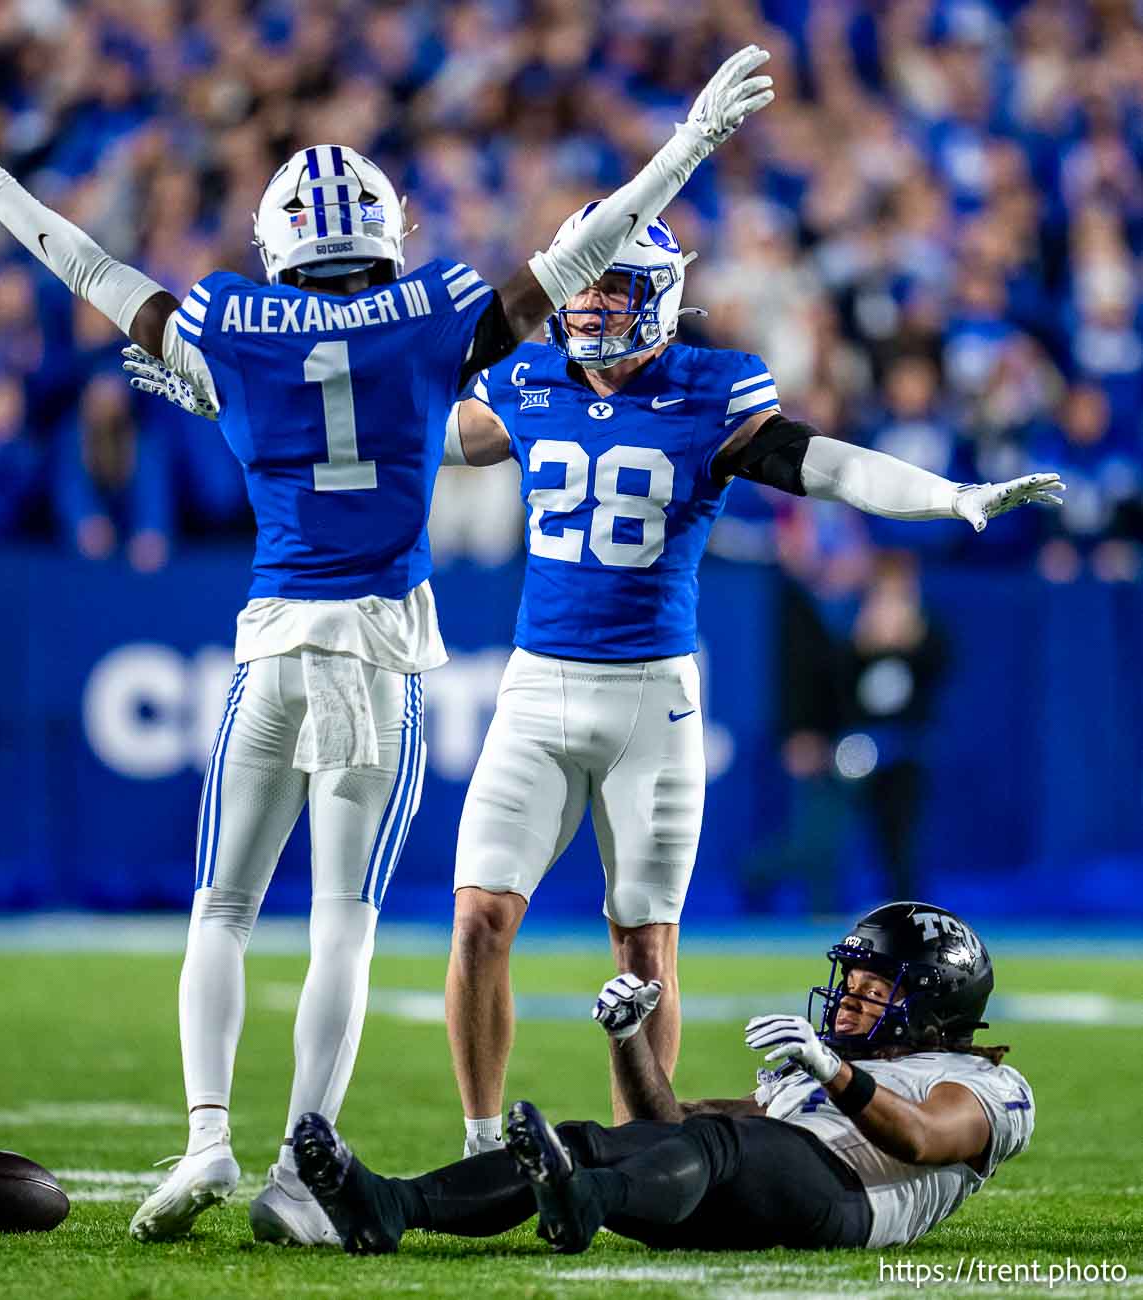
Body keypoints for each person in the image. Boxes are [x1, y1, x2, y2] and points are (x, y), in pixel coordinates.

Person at [0, 46, 778, 1246]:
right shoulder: (431, 315)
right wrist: (686, 145)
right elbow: (577, 252)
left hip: (271, 642)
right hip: (379, 650)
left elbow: (86, 262)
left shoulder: (231, 325)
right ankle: (302, 1164)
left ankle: (206, 1133)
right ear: (381, 230)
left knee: (220, 908)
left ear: (275, 237)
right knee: (341, 923)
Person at [434, 210, 1064, 1152]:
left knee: (643, 949)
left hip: (653, 697)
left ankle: (639, 1153)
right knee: (480, 918)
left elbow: (829, 465)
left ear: (659, 300)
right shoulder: (526, 379)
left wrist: (948, 497)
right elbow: (402, 442)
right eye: (585, 286)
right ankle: (480, 1144)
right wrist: (244, 401)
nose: (593, 305)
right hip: (537, 686)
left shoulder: (711, 387)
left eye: (616, 288)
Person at [292, 902, 1034, 1256]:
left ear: (934, 1008)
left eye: (875, 991)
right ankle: (391, 1205)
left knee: (724, 1143)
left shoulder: (979, 1084)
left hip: (847, 1207)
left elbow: (926, 1137)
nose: (846, 1000)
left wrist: (833, 1070)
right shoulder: (817, 1076)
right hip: (756, 1186)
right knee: (586, 1138)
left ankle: (584, 1204)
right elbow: (667, 1123)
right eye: (851, 983)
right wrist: (629, 1040)